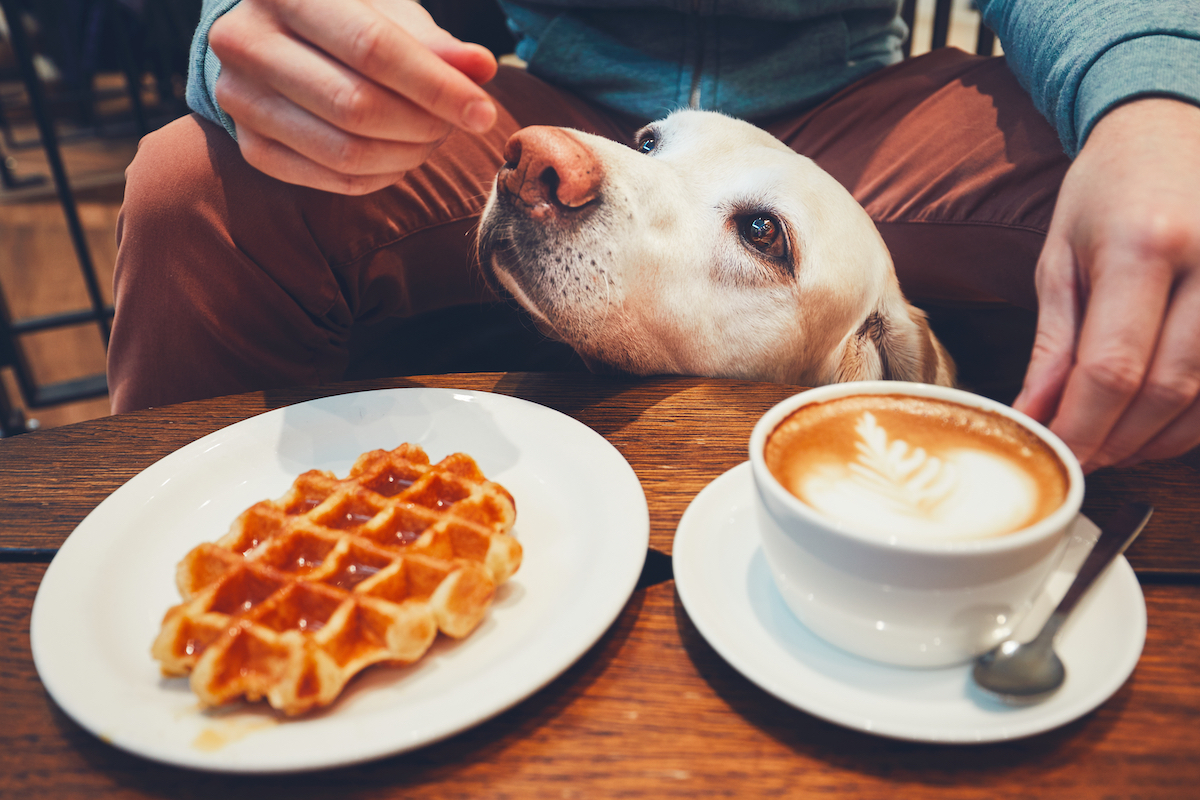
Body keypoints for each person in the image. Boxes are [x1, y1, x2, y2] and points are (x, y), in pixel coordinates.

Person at [108, 0, 1200, 475]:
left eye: (764, 237)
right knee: (191, 183)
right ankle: (177, 559)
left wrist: (1156, 99)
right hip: (559, 88)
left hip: (862, 96)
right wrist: (262, 30)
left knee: (1161, 228)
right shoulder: (571, 153)